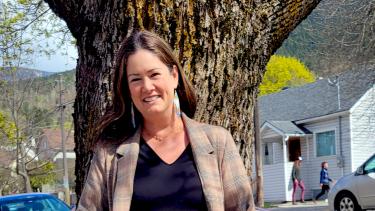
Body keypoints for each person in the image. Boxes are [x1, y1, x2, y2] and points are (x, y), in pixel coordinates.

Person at [76, 30, 255, 211]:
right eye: (136, 79)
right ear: (128, 89)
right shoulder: (110, 153)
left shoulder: (217, 142)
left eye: (154, 75)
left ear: (174, 76)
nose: (147, 87)